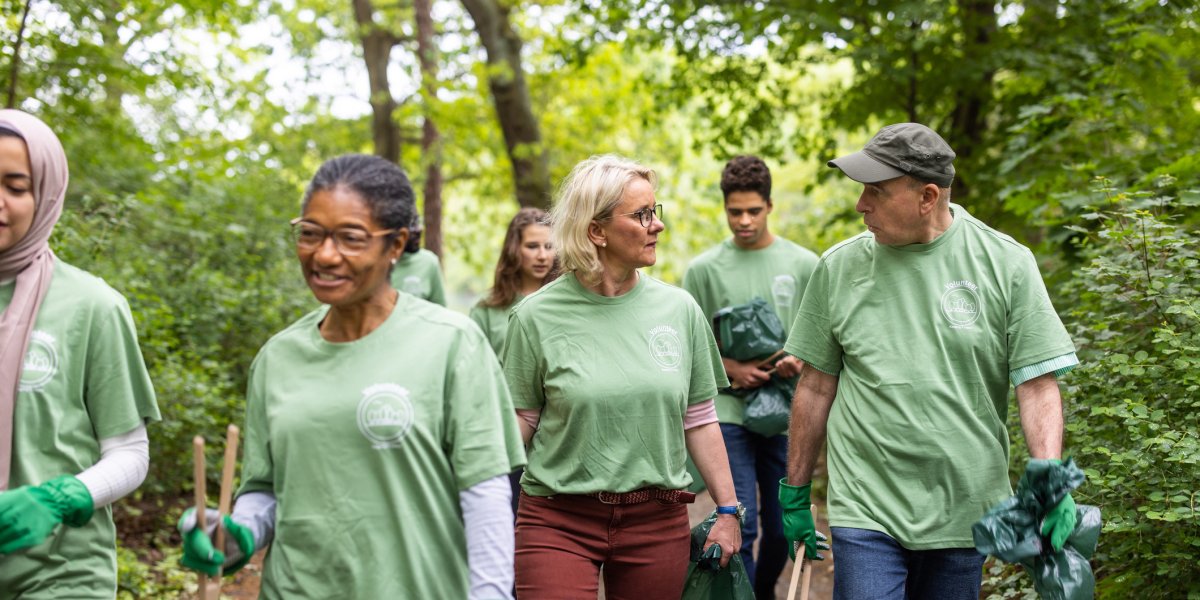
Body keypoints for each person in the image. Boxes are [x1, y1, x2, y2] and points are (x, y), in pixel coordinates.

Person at [176, 154, 526, 598]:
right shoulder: (277, 358)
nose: (324, 254)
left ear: (396, 245)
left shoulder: (453, 345)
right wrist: (234, 534)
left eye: (350, 238)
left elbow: (485, 495)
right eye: (310, 234)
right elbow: (266, 489)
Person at [779, 123, 1080, 599]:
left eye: (876, 192)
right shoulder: (839, 268)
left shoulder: (1005, 263)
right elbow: (816, 387)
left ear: (928, 197)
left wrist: (1048, 473)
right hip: (867, 505)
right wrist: (795, 490)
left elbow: (1037, 382)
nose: (861, 205)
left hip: (964, 507)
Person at [502, 155, 742, 599]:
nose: (657, 226)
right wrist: (465, 484)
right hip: (558, 519)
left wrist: (728, 510)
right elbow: (523, 420)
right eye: (642, 215)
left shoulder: (679, 310)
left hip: (656, 519)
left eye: (656, 211)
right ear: (596, 231)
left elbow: (700, 418)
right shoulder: (534, 317)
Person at [0, 110, 160, 597]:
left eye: (15, 185)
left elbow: (129, 452)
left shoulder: (92, 306)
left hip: (59, 574)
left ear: (45, 194)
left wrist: (60, 497)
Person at [682, 155, 818, 599]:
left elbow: (820, 338)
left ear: (770, 206)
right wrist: (731, 369)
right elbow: (692, 346)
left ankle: (761, 591)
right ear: (724, 209)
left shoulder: (803, 264)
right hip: (729, 411)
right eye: (734, 211)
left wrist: (799, 360)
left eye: (753, 211)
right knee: (743, 521)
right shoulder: (703, 270)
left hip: (788, 412)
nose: (743, 221)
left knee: (781, 529)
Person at [469, 207, 556, 358]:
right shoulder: (486, 309)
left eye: (549, 246)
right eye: (532, 246)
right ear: (514, 249)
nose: (542, 256)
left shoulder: (564, 301)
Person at [389, 216, 447, 305]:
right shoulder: (382, 262)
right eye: (412, 225)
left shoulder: (429, 261)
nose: (419, 229)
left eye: (418, 222)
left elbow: (441, 308)